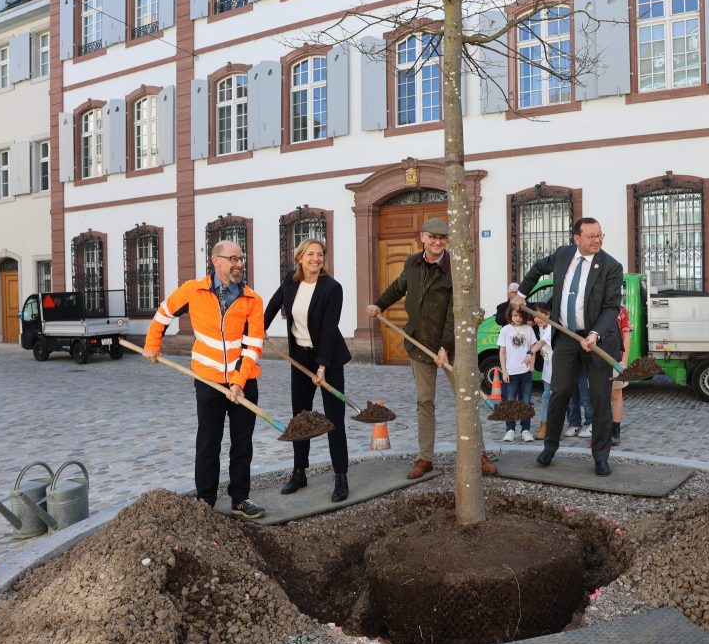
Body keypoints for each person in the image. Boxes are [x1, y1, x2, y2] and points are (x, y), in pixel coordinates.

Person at [366, 217, 498, 478]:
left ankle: (478, 453)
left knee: (466, 399)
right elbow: (399, 286)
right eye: (433, 237)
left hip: (453, 346)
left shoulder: (455, 268)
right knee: (424, 402)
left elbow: (455, 312)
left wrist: (445, 347)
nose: (438, 242)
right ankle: (425, 458)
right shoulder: (412, 262)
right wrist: (379, 304)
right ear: (423, 237)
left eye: (443, 238)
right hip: (419, 344)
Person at [143, 240, 265, 519]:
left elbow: (253, 346)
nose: (238, 264)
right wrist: (153, 343)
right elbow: (163, 313)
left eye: (240, 258)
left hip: (243, 382)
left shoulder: (252, 300)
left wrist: (238, 382)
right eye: (232, 259)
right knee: (209, 441)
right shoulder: (193, 290)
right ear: (216, 260)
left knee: (242, 442)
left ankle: (240, 499)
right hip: (207, 380)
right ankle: (206, 501)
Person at [513, 217, 622, 476]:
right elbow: (538, 268)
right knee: (559, 392)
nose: (598, 240)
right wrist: (521, 294)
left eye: (600, 235)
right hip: (566, 338)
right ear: (576, 239)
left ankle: (600, 456)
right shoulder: (563, 255)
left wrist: (595, 333)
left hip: (597, 341)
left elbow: (611, 307)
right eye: (591, 236)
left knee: (599, 398)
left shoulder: (610, 266)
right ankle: (550, 447)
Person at [264, 239, 351, 503]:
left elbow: (328, 328)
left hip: (329, 359)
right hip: (300, 358)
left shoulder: (332, 288)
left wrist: (322, 366)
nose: (316, 258)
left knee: (334, 419)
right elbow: (271, 306)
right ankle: (299, 472)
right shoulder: (290, 283)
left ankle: (341, 476)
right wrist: (259, 330)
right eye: (310, 254)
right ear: (299, 258)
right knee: (300, 418)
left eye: (320, 254)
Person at [498, 307, 537, 442]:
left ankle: (525, 430)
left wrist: (532, 365)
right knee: (510, 401)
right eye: (515, 315)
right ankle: (510, 430)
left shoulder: (528, 330)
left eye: (520, 316)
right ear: (510, 315)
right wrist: (504, 371)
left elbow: (534, 348)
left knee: (525, 402)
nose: (518, 318)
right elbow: (502, 352)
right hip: (511, 372)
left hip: (525, 372)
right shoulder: (505, 330)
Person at [530, 301, 554, 440]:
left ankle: (548, 427)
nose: (536, 319)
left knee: (551, 398)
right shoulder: (542, 327)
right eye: (534, 317)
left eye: (539, 316)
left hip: (556, 369)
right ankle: (545, 426)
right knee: (547, 397)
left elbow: (541, 343)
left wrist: (531, 352)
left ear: (547, 314)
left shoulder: (551, 327)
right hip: (548, 368)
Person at [610, 304, 632, 446]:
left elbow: (626, 335)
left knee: (616, 394)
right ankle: (601, 428)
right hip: (597, 360)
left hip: (616, 359)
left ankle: (615, 430)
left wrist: (624, 361)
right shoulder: (594, 306)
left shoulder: (621, 310)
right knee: (598, 396)